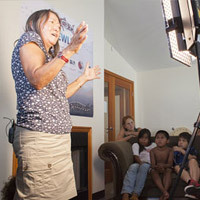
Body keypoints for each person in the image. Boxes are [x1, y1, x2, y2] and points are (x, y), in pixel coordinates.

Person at [11, 9, 100, 200]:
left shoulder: (51, 59)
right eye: (51, 22)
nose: (57, 28)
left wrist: (83, 79)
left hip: (58, 139)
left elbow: (60, 94)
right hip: (41, 138)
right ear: (35, 23)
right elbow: (37, 79)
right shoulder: (28, 40)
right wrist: (69, 51)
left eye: (59, 26)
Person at [121, 128, 156, 200]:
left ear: (149, 139)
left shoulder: (153, 145)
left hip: (148, 164)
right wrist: (140, 162)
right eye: (141, 138)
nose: (143, 140)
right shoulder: (136, 145)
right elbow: (136, 156)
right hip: (138, 162)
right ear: (138, 138)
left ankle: (135, 194)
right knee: (132, 167)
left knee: (143, 167)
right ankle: (126, 193)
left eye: (146, 138)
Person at [173, 132, 200, 199]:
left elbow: (192, 158)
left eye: (183, 141)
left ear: (189, 142)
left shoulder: (191, 149)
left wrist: (182, 150)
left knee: (193, 161)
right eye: (179, 140)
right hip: (181, 167)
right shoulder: (175, 150)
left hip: (191, 166)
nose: (180, 142)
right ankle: (192, 184)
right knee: (176, 167)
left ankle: (193, 185)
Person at [150, 130, 173, 200]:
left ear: (167, 141)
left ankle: (164, 193)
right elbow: (153, 165)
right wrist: (158, 167)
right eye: (157, 138)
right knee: (153, 171)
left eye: (162, 138)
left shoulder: (170, 150)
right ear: (155, 140)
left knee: (169, 170)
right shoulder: (152, 151)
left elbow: (170, 164)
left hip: (166, 168)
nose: (159, 140)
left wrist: (163, 166)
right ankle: (164, 192)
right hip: (157, 168)